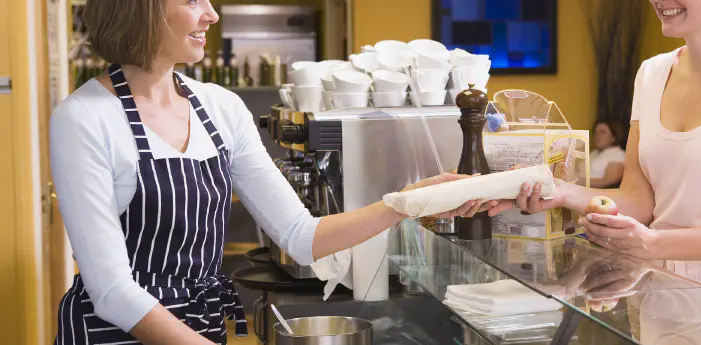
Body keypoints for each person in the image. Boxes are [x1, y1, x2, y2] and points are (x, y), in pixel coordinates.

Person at [49, 1, 492, 344]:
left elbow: (301, 236)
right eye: (192, 1)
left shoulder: (220, 108)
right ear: (140, 10)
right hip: (116, 332)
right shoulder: (85, 118)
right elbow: (110, 291)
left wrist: (409, 200)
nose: (212, 14)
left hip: (201, 326)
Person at [490, 0, 701, 310]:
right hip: (654, 302)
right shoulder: (651, 74)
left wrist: (653, 244)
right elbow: (640, 199)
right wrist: (560, 192)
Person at [589, 120, 627, 188]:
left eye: (602, 132)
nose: (597, 135)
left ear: (614, 137)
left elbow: (608, 182)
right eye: (595, 132)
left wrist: (578, 182)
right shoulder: (593, 153)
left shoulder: (618, 155)